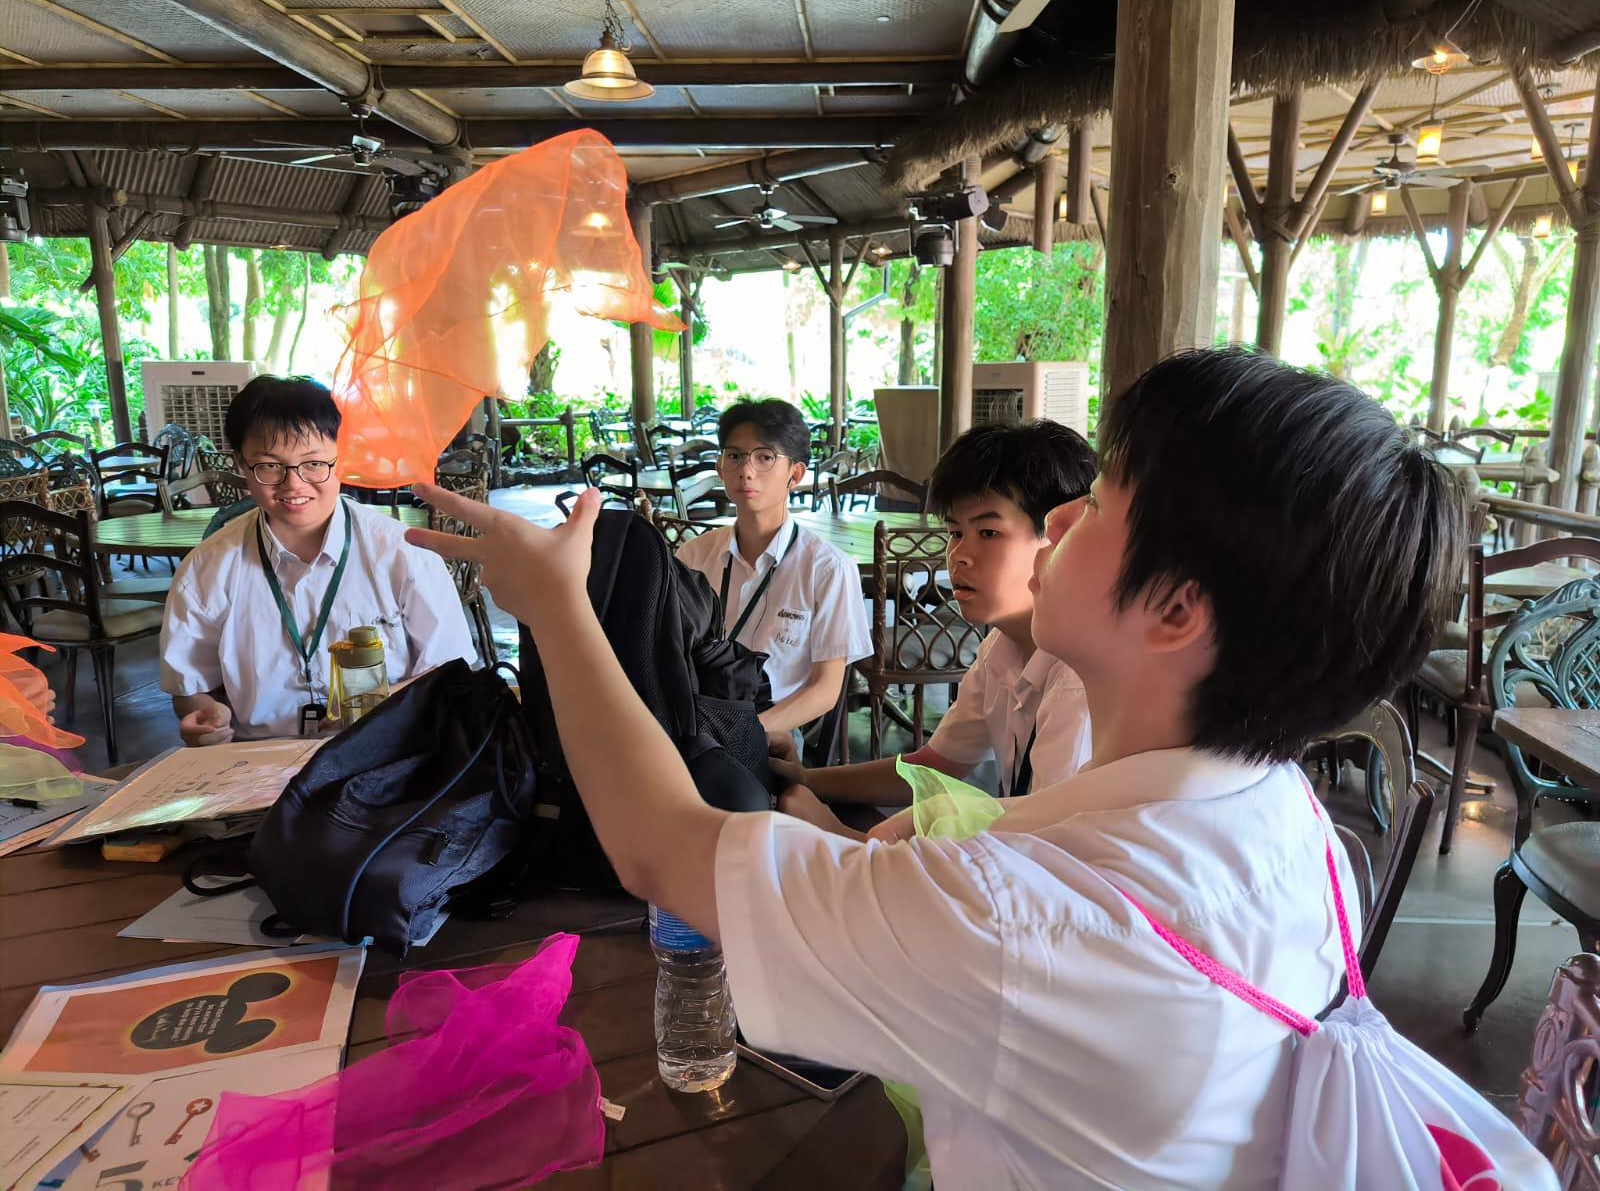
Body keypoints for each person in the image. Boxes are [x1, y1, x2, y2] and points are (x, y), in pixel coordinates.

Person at [405, 348, 1463, 1189]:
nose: (1059, 517)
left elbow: (657, 849)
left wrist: (557, 609)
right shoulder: (1288, 818)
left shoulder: (1022, 918)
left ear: (1178, 610)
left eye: (1100, 501)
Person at [774, 420, 1097, 839]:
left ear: (1059, 535)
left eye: (988, 532)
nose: (959, 554)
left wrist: (842, 839)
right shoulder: (1001, 649)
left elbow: (1043, 848)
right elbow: (935, 765)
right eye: (955, 532)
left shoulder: (1078, 683)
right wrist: (803, 779)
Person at [160, 375, 475, 744]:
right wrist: (204, 714)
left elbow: (451, 672)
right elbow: (190, 687)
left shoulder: (404, 554)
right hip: (261, 760)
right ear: (242, 465)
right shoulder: (206, 569)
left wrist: (377, 712)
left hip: (384, 751)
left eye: (313, 463)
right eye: (269, 466)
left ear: (343, 457)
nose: (293, 484)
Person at [673, 399, 871, 733]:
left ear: (795, 474)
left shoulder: (828, 570)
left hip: (776, 725)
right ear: (720, 467)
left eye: (764, 457)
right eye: (734, 456)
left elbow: (825, 689)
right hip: (697, 719)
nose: (746, 470)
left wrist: (750, 732)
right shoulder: (692, 557)